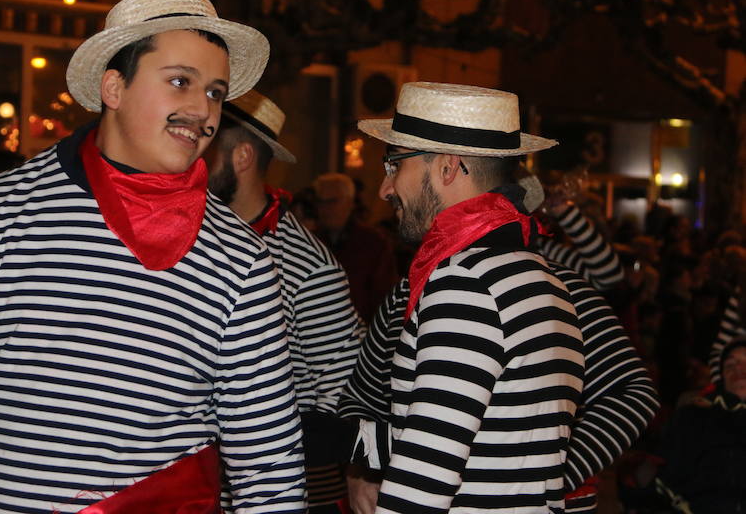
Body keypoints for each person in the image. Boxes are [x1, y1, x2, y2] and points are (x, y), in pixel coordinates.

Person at [0, 0, 306, 513]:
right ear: (114, 87)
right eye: (180, 82)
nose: (205, 111)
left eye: (216, 93)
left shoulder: (240, 255)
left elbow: (268, 463)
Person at [339, 173, 660, 514]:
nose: (387, 190)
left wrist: (549, 472)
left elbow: (633, 392)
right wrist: (362, 471)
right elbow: (362, 395)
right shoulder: (408, 291)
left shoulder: (559, 287)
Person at [351, 81, 585, 512]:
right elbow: (484, 439)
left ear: (447, 167)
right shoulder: (542, 278)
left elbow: (424, 476)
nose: (386, 190)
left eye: (393, 165)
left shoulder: (468, 282)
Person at [205, 89, 364, 512]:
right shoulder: (197, 239)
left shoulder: (307, 264)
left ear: (241, 157)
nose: (191, 158)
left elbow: (343, 389)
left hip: (282, 490)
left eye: (207, 148)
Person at [652, 336, 746, 513]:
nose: (738, 369)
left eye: (745, 362)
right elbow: (664, 479)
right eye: (730, 365)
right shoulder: (692, 416)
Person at [312, 172, 399, 324]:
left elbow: (384, 297)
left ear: (350, 202)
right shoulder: (311, 242)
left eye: (332, 201)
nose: (325, 209)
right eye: (320, 202)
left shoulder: (373, 242)